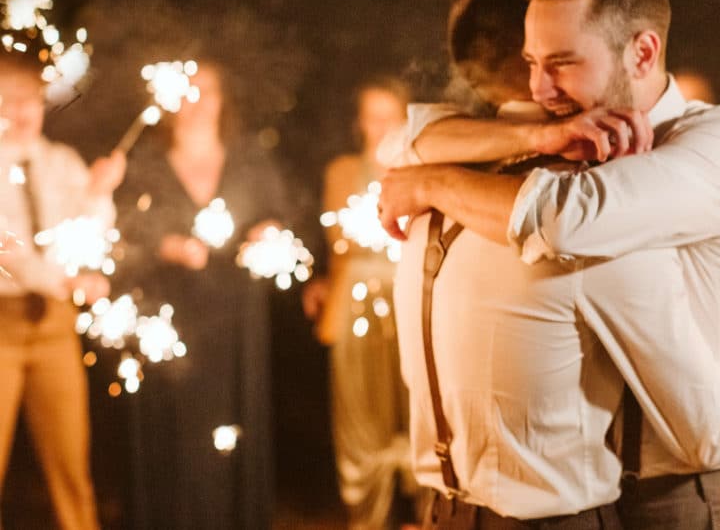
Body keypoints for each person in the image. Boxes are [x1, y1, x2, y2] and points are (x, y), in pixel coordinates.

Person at [381, 0, 720, 529]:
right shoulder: (564, 141)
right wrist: (539, 134)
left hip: (693, 494)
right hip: (603, 501)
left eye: (560, 64)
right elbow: (407, 139)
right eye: (531, 63)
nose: (540, 87)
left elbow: (561, 219)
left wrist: (432, 181)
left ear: (642, 53)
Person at [114, 61, 286, 530]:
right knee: (173, 424)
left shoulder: (248, 157)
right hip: (167, 315)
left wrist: (267, 232)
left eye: (206, 90)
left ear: (222, 99)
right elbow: (123, 230)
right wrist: (164, 245)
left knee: (231, 416)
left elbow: (276, 213)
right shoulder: (145, 160)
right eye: (186, 89)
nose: (195, 99)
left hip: (233, 312)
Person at [0, 49, 124, 530]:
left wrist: (98, 194)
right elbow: (8, 250)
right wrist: (64, 280)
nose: (21, 110)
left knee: (71, 467)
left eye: (29, 98)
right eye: (6, 99)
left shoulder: (62, 162)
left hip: (54, 327)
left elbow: (90, 236)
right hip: (2, 325)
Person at [302, 78, 420, 530]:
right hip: (355, 304)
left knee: (416, 406)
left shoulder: (420, 168)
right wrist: (326, 286)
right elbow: (339, 245)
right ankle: (367, 518)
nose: (379, 127)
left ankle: (422, 512)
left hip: (407, 298)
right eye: (371, 117)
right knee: (359, 413)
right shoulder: (342, 172)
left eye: (388, 116)